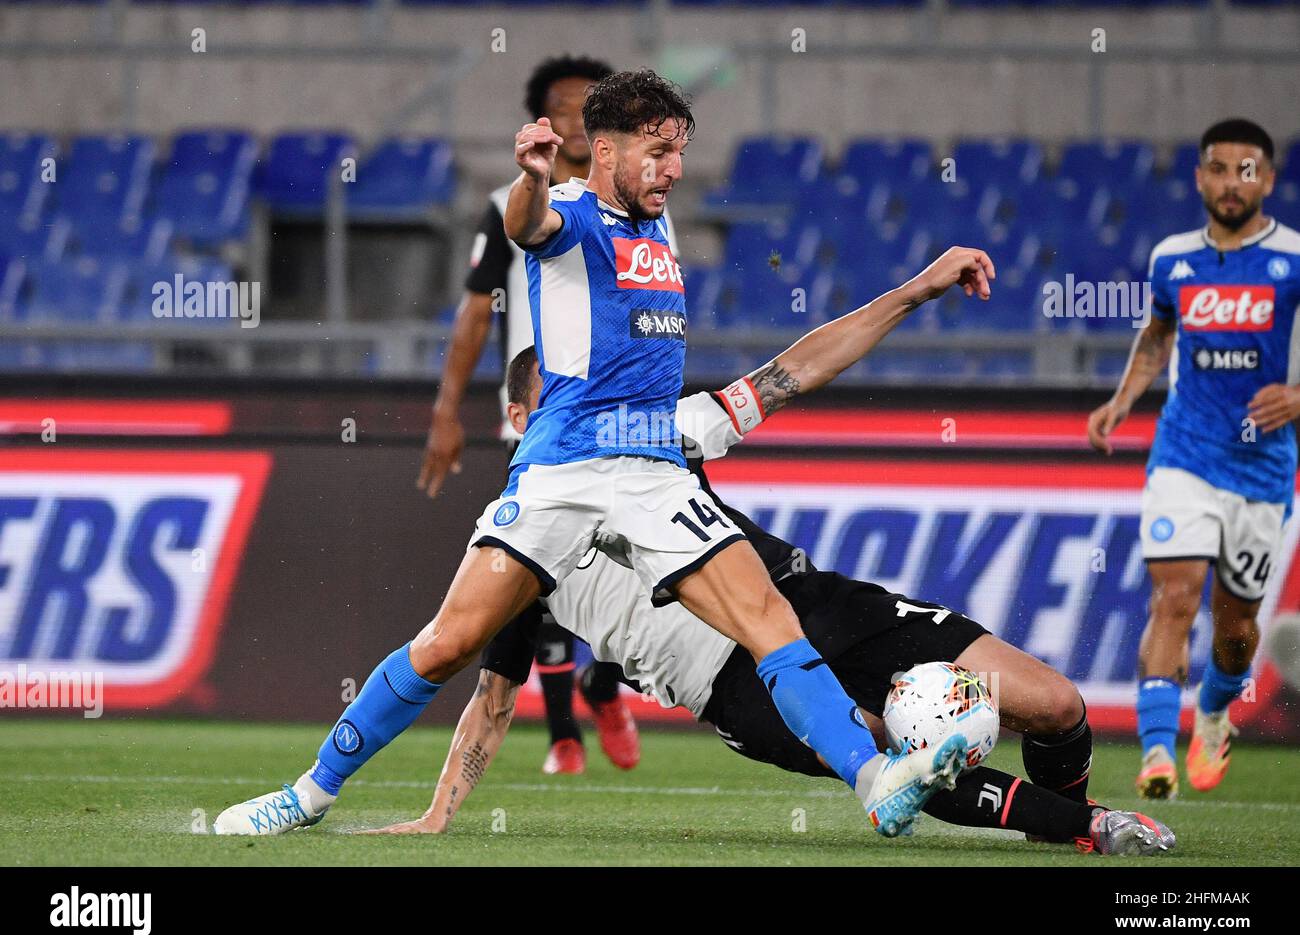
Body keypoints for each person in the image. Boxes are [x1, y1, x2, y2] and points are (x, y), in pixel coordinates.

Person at [213, 69, 996, 840]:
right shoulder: (570, 212)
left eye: (680, 151)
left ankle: (875, 780)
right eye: (657, 151)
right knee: (447, 644)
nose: (675, 169)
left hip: (652, 469)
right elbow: (528, 228)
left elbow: (795, 370)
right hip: (563, 468)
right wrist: (529, 177)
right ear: (605, 150)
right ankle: (308, 795)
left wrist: (916, 289)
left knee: (768, 619)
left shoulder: (656, 230)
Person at [367, 335, 1174, 856]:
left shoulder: (659, 437)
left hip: (811, 602)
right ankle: (1092, 829)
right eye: (561, 395)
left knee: (1057, 703)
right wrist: (440, 812)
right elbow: (493, 701)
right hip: (734, 687)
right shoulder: (518, 554)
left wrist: (918, 290)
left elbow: (793, 372)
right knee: (900, 761)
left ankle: (1061, 824)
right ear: (517, 417)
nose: (586, 407)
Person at [418, 54, 642, 776]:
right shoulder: (512, 203)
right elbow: (476, 312)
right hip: (544, 413)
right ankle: (562, 736)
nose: (576, 118)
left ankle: (603, 685)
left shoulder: (639, 205)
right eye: (562, 106)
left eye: (589, 105)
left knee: (631, 561)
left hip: (623, 413)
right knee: (533, 573)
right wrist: (447, 411)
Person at [1087, 118, 1300, 798]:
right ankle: (1156, 754)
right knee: (1173, 597)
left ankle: (1213, 713)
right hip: (1183, 456)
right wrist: (1122, 401)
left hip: (1262, 471)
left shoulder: (1293, 258)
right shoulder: (1172, 259)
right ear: (1200, 177)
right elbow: (1156, 336)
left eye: (1246, 170)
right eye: (1218, 168)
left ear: (1266, 180)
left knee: (1235, 626)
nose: (1231, 182)